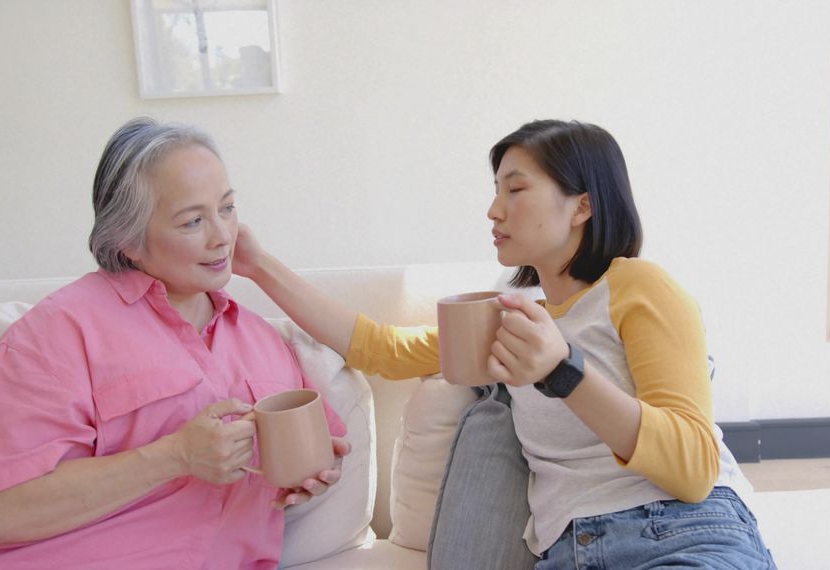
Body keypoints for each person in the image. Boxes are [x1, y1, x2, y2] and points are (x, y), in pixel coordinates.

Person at [233, 119, 776, 568]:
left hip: (679, 535)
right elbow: (380, 350)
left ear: (582, 205)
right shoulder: (511, 323)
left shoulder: (638, 288)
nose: (494, 210)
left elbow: (694, 466)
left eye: (515, 189)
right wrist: (257, 267)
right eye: (496, 192)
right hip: (569, 551)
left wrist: (564, 373)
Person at [0, 118, 350, 570]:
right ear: (128, 240)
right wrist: (174, 455)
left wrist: (317, 471)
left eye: (226, 208)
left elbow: (325, 446)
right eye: (192, 221)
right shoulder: (55, 333)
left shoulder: (261, 342)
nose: (221, 235)